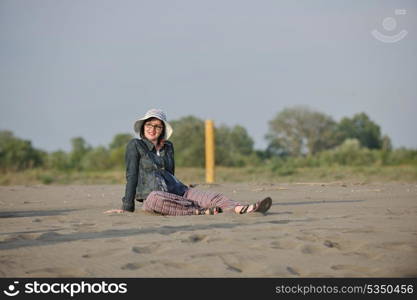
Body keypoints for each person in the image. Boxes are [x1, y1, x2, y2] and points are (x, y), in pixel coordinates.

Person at [105, 108, 272, 216]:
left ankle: (243, 208)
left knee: (214, 196)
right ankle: (198, 210)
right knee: (155, 198)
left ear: (162, 129)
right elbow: (131, 175)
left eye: (157, 126)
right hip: (155, 198)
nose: (152, 129)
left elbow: (170, 173)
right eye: (149, 124)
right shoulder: (135, 145)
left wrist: (163, 152)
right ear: (143, 127)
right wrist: (127, 207)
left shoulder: (168, 147)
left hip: (179, 191)